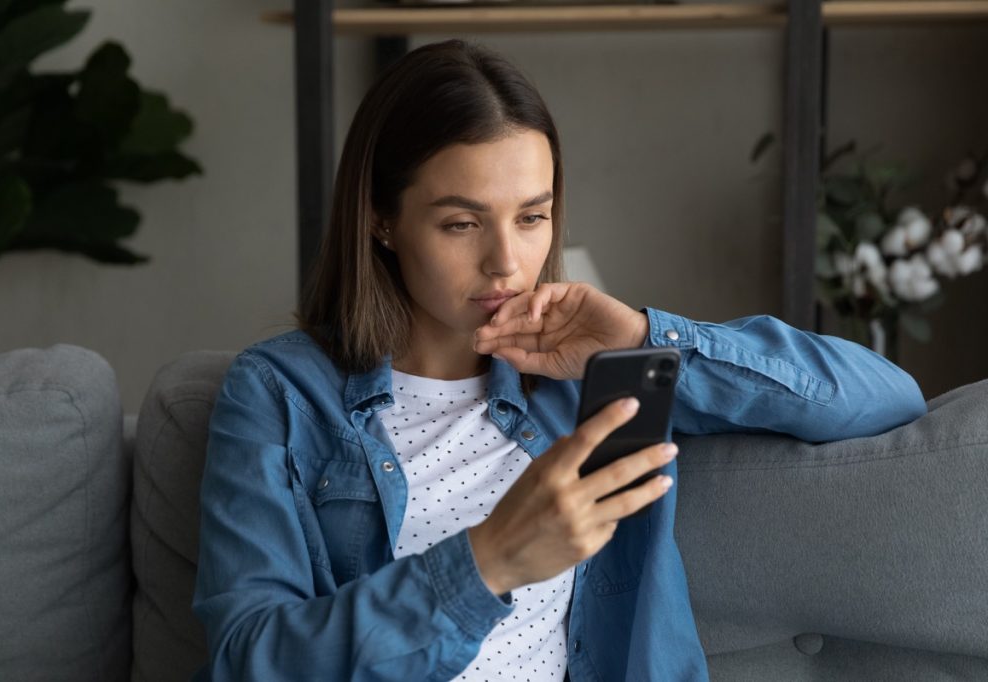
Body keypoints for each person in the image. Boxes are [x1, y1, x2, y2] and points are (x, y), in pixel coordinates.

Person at [192, 39, 926, 681]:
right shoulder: (282, 394)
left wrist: (645, 337)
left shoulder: (593, 380)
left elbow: (882, 396)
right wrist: (488, 565)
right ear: (381, 220)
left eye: (532, 217)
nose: (506, 262)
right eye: (460, 223)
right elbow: (248, 658)